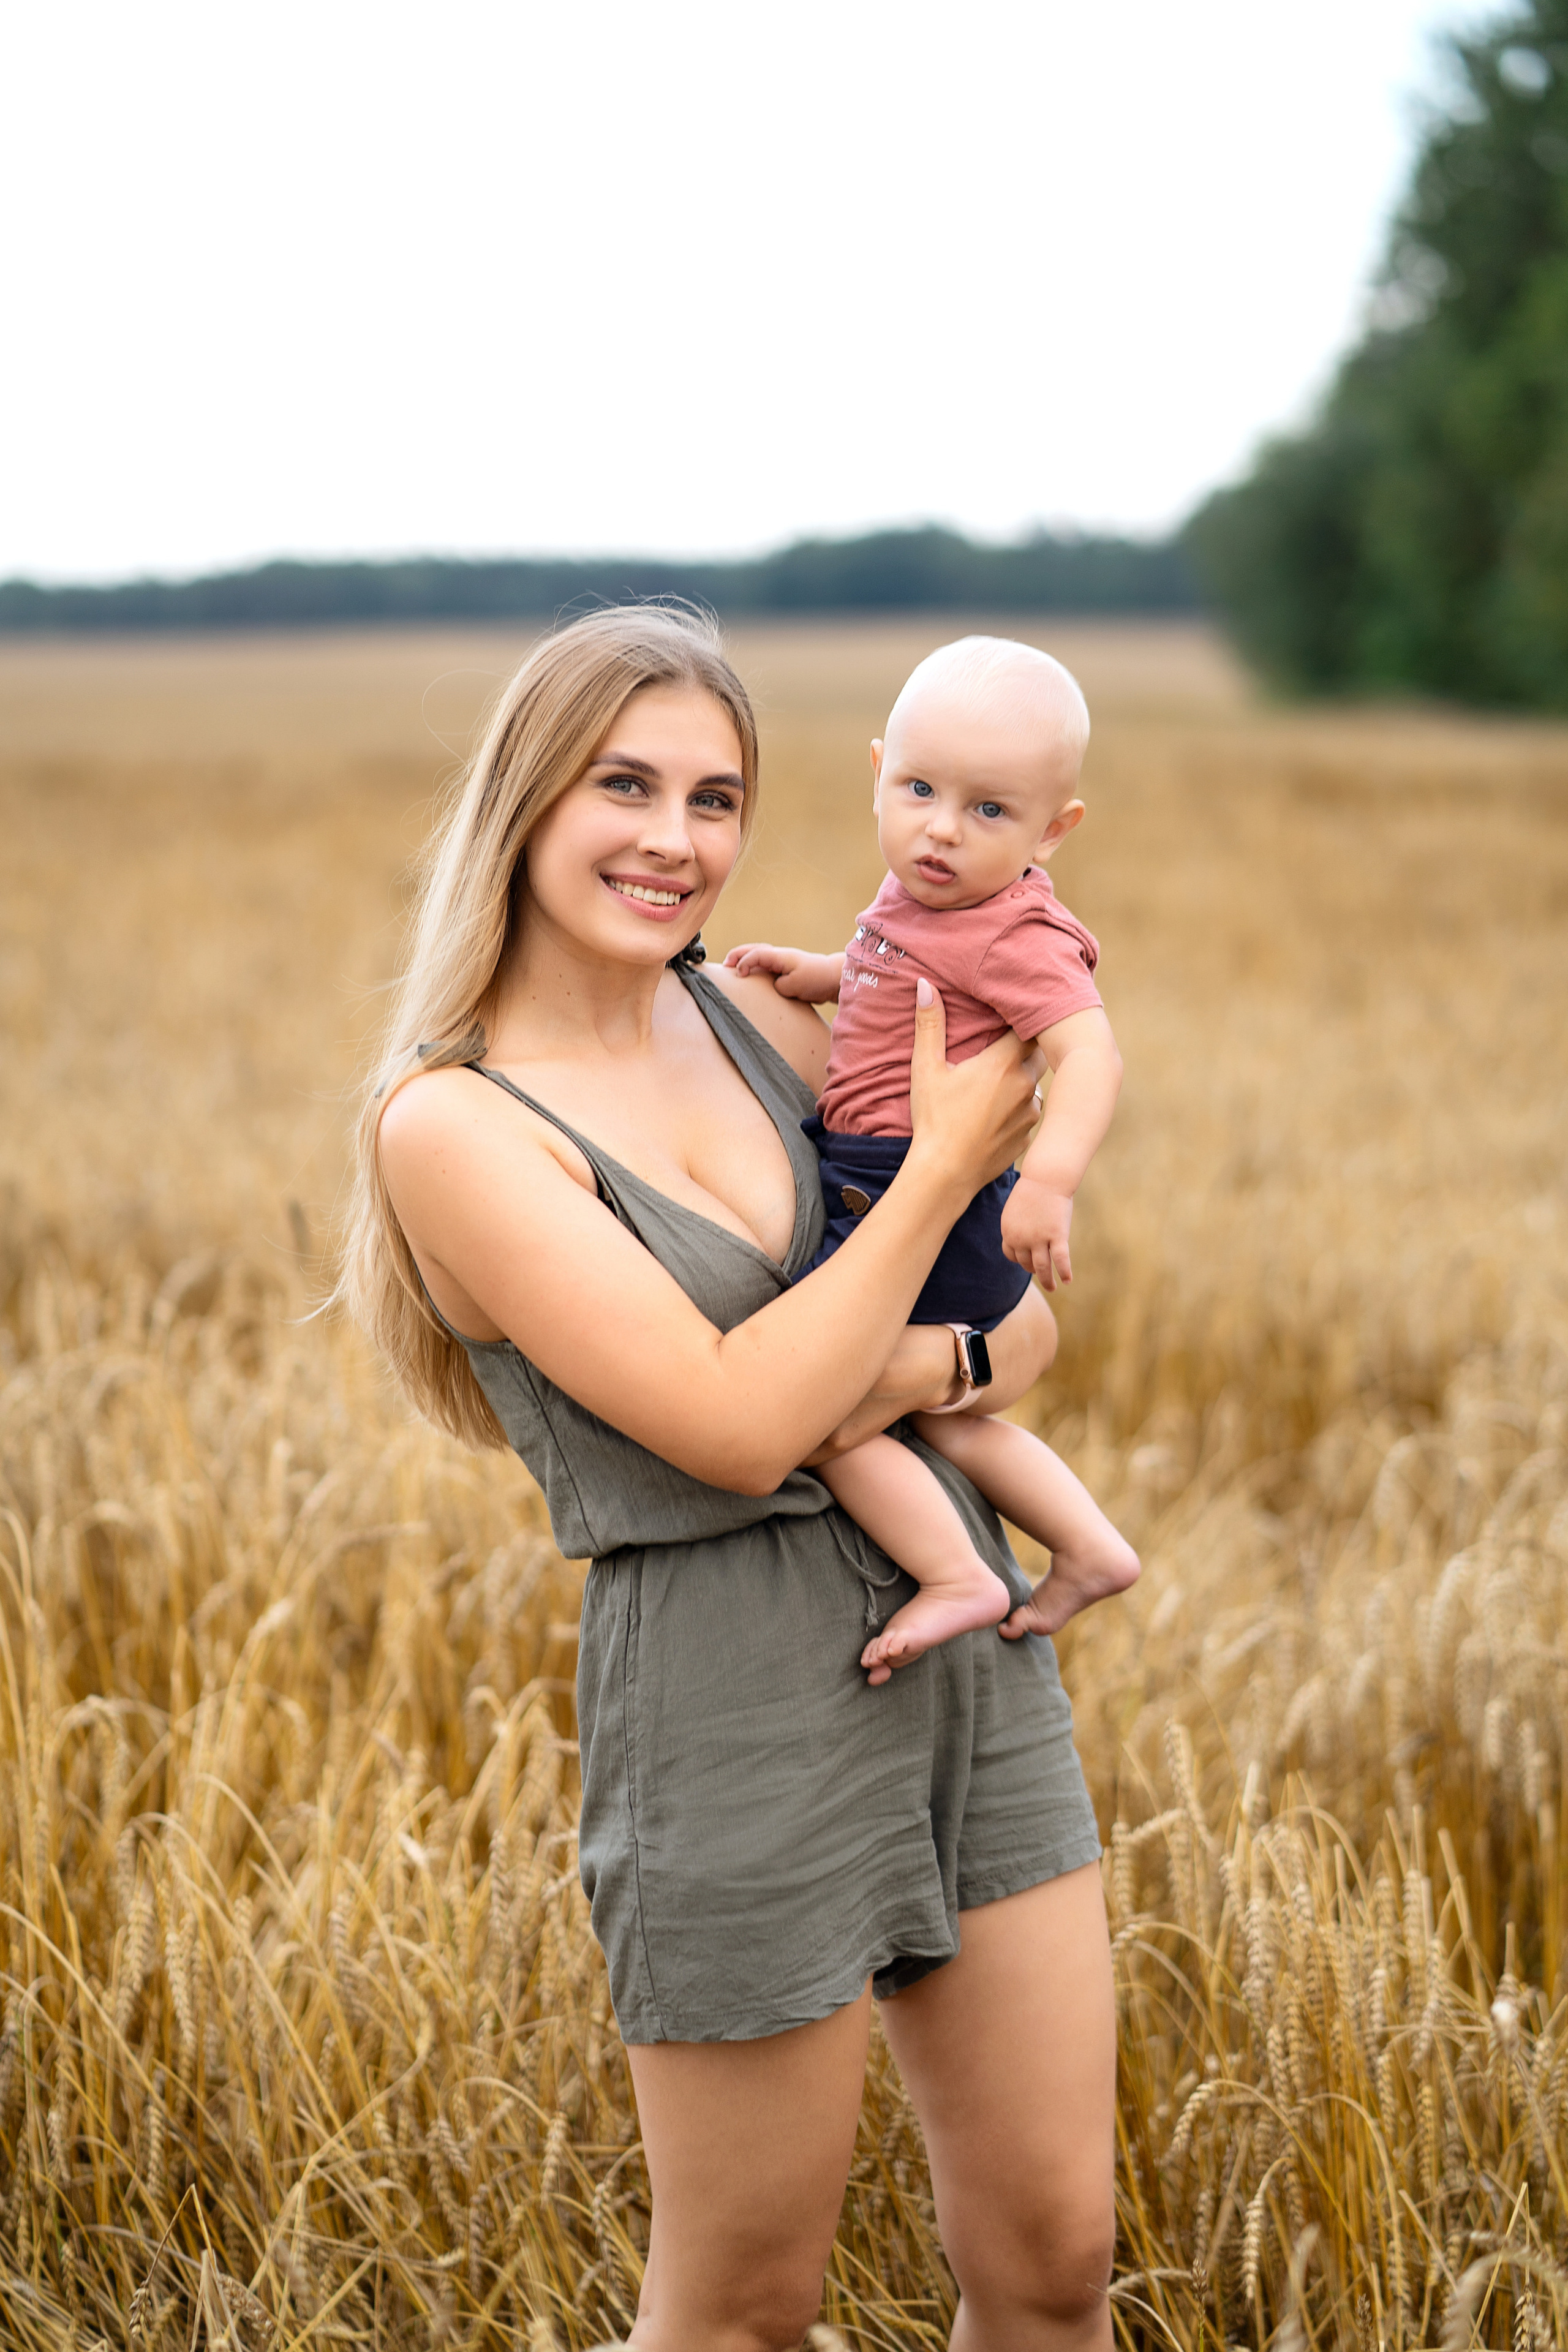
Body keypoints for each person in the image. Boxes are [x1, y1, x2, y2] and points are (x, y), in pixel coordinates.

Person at [342, 605, 1117, 2351]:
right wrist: (939, 1183)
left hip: (974, 1642)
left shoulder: (761, 1020)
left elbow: (1027, 1333)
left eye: (717, 798)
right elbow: (738, 1427)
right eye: (626, 785)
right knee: (745, 2314)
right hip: (731, 1691)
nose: (675, 841)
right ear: (528, 802)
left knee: (1060, 2255)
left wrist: (921, 1362)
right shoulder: (456, 1125)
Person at [726, 636, 1138, 1683]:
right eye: (919, 790)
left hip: (914, 1197)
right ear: (880, 775)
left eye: (991, 811)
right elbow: (890, 974)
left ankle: (957, 1575)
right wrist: (819, 972)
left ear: (1057, 830)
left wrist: (1047, 1181)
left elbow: (1089, 1052)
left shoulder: (1015, 931)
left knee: (825, 1413)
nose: (944, 829)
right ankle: (1088, 1545)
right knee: (935, 1419)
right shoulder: (923, 893)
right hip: (887, 1181)